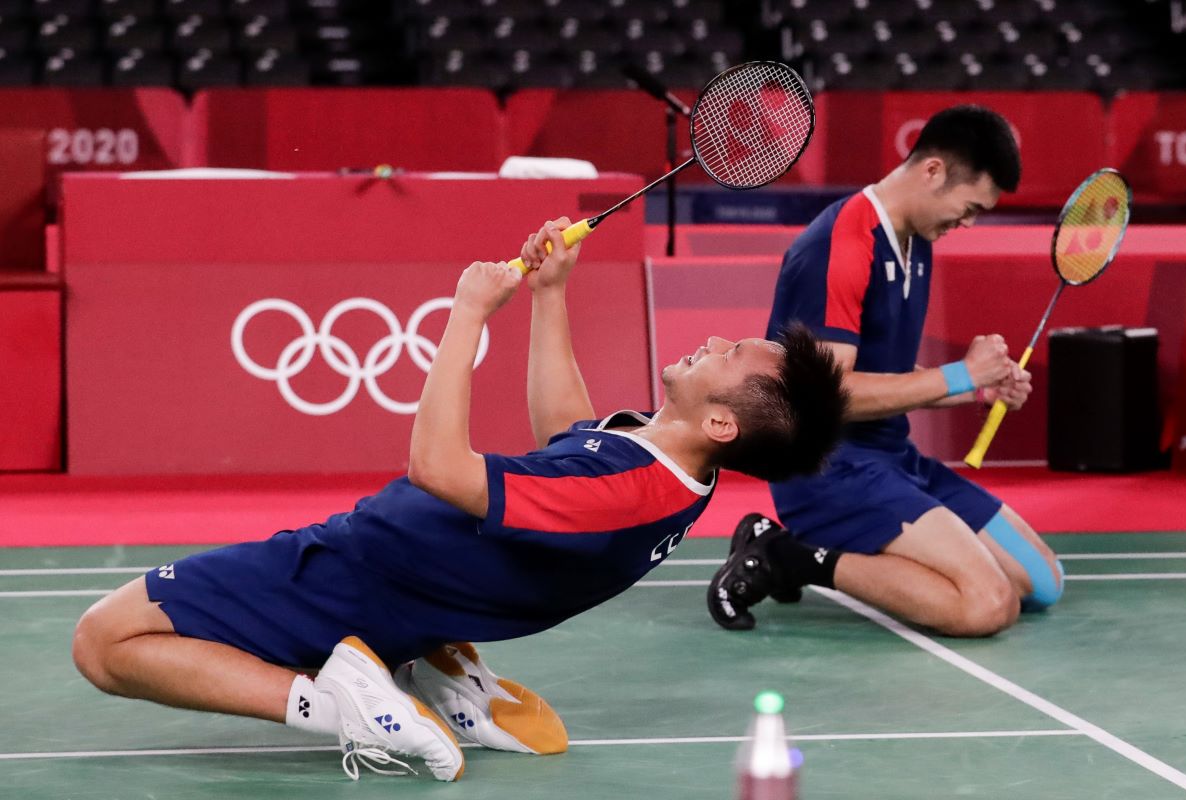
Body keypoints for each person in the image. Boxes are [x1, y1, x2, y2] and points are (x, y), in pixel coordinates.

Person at [73, 220, 846, 782]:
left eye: (732, 353)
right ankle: (434, 668)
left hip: (359, 572)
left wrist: (467, 314)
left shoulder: (630, 488)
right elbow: (564, 439)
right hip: (416, 583)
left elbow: (438, 466)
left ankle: (344, 703)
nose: (713, 341)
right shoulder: (673, 471)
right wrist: (551, 297)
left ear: (721, 420)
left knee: (106, 643)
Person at [707, 105, 1064, 638]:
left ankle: (820, 551)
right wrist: (958, 376)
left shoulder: (914, 240)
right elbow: (823, 394)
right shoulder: (841, 243)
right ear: (933, 171)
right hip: (828, 470)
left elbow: (885, 374)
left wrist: (974, 388)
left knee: (1041, 581)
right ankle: (790, 555)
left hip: (892, 459)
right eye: (969, 208)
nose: (967, 223)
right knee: (988, 605)